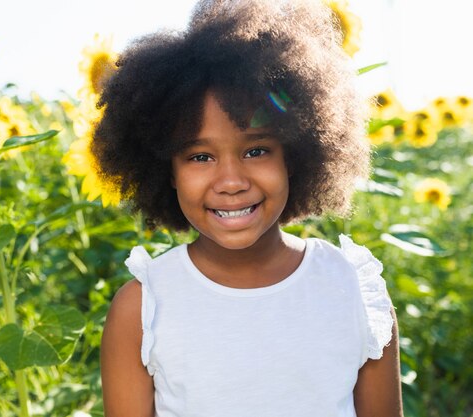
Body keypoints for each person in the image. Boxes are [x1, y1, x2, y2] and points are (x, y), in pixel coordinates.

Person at [95, 0, 403, 415]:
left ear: (294, 156)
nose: (231, 182)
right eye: (199, 157)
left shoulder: (353, 290)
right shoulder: (143, 308)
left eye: (256, 150)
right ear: (164, 169)